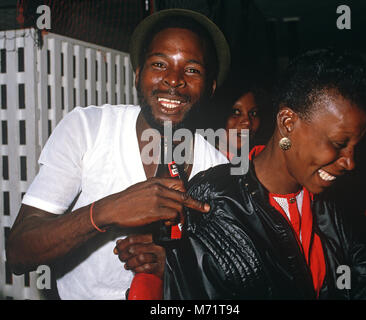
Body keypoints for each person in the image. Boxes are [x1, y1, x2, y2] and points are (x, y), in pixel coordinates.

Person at [5, 8, 231, 300]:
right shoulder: (89, 128)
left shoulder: (219, 169)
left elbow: (229, 276)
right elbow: (19, 252)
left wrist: (176, 265)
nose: (173, 80)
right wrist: (107, 210)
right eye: (159, 64)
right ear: (138, 75)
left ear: (210, 88)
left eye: (192, 69)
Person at [162, 49, 366, 299]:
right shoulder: (213, 205)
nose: (350, 163)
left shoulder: (336, 199)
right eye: (338, 144)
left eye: (355, 147)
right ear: (288, 123)